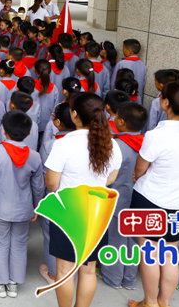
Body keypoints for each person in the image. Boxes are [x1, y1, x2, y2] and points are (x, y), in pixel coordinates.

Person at [129, 83, 179, 307]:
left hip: (151, 200)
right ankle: (164, 302)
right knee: (169, 255)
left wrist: (138, 177)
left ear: (165, 103)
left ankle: (149, 302)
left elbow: (140, 168)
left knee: (150, 255)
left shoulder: (157, 135)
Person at [43, 92, 122, 307]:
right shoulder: (112, 145)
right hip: (97, 212)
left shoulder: (64, 144)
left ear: (74, 114)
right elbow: (110, 179)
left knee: (64, 270)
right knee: (88, 270)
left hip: (69, 212)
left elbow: (51, 182)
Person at [0, 111, 45, 299]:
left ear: (4, 130)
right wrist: (36, 207)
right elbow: (38, 186)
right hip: (23, 209)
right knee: (19, 244)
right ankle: (13, 283)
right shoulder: (34, 156)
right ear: (29, 132)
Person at [100, 102, 147, 291]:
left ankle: (113, 277)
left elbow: (106, 175)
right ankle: (129, 278)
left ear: (121, 121)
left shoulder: (116, 146)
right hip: (139, 200)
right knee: (134, 240)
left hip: (117, 201)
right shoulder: (147, 144)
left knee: (115, 240)